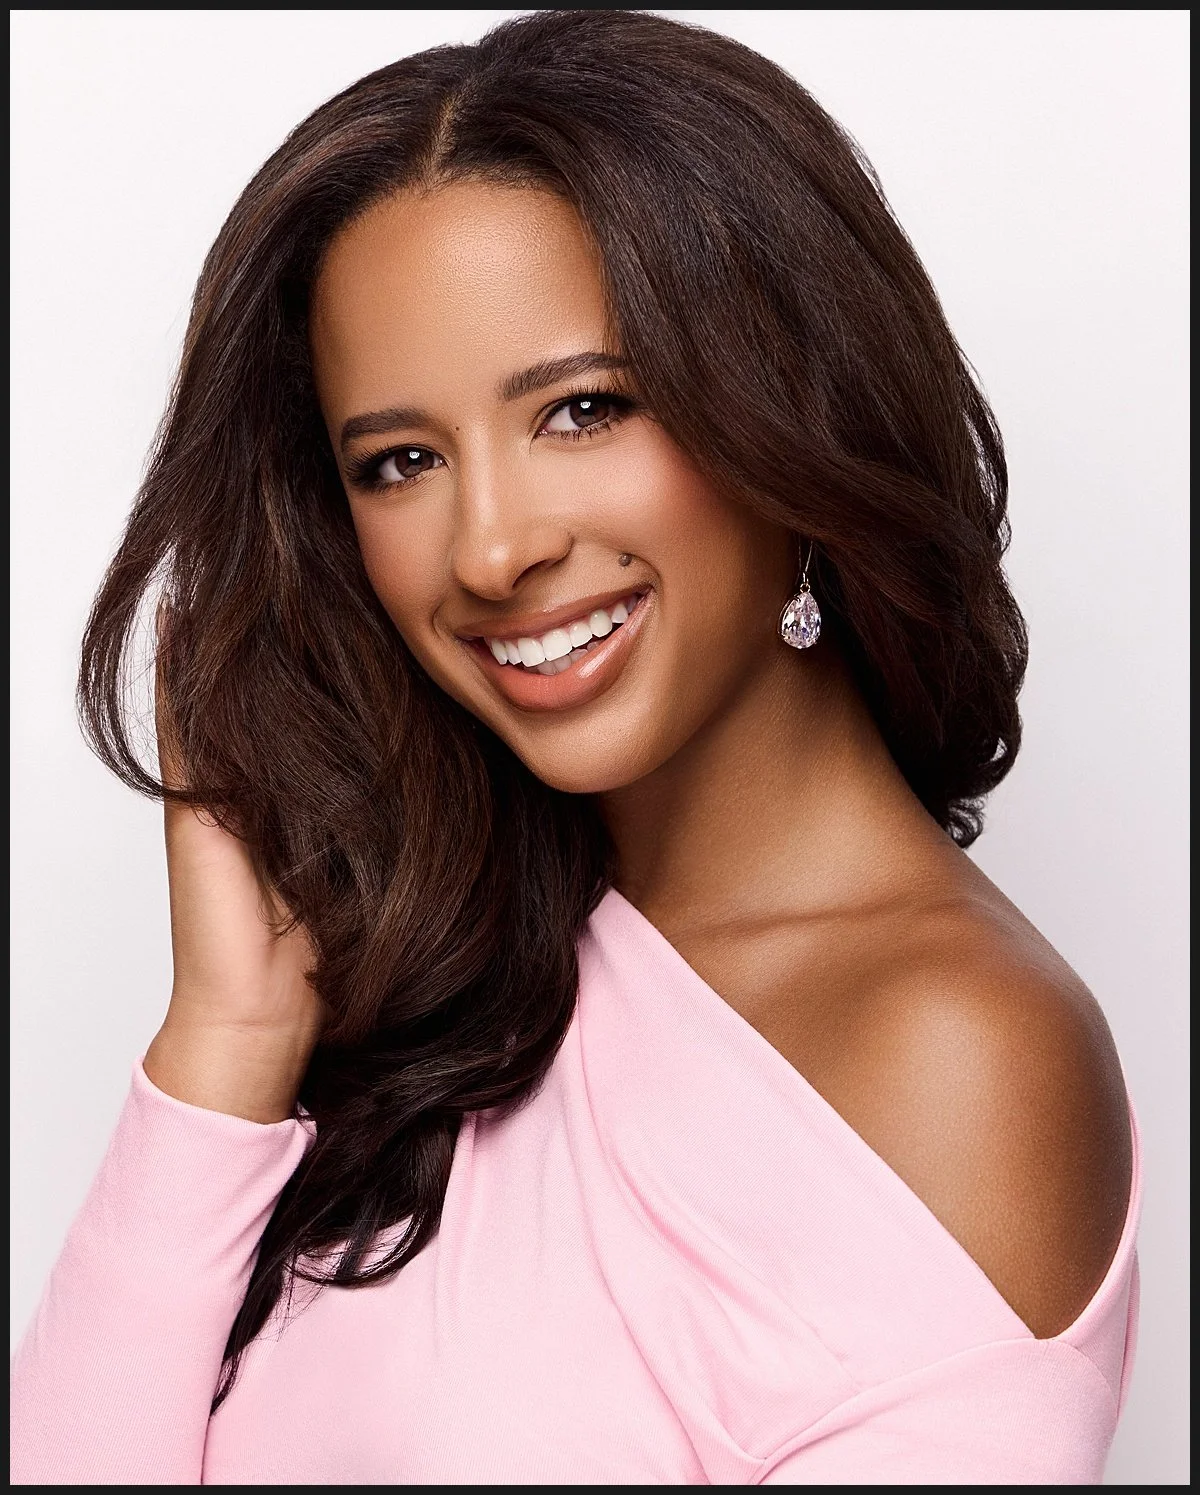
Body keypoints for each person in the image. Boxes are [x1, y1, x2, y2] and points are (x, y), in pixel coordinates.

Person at [10, 10, 1139, 1485]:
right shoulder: (451, 970)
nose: (488, 546)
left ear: (793, 405)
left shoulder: (953, 1055)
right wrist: (226, 1037)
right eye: (399, 461)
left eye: (585, 408)